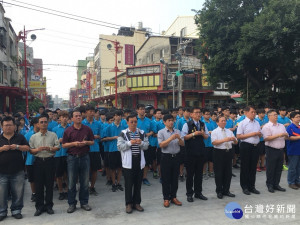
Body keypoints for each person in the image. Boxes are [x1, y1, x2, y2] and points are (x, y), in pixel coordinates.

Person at [62, 109, 94, 213]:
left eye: (80, 115)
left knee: (84, 182)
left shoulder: (87, 129)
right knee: (71, 182)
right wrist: (74, 144)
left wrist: (86, 142)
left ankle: (84, 202)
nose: (78, 117)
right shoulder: (68, 131)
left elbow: (92, 142)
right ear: (71, 118)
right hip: (72, 157)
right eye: (76, 116)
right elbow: (64, 145)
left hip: (84, 156)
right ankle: (72, 203)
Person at [117, 113, 149, 214]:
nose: (134, 123)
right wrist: (130, 143)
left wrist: (141, 143)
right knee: (128, 184)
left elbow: (147, 146)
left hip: (139, 161)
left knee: (138, 183)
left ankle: (137, 203)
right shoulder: (123, 133)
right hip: (128, 162)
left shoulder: (142, 132)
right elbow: (119, 146)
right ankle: (128, 204)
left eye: (135, 121)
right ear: (127, 122)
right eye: (131, 122)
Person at [29, 114, 60, 216]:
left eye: (45, 122)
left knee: (49, 185)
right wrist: (37, 150)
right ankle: (39, 207)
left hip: (50, 161)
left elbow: (58, 147)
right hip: (38, 162)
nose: (43, 124)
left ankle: (49, 206)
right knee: (39, 185)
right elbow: (31, 150)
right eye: (41, 122)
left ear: (48, 123)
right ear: (37, 124)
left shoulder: (53, 135)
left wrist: (50, 148)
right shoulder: (33, 137)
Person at [0, 116, 30, 221]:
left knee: (18, 192)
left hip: (17, 170)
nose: (8, 127)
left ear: (14, 126)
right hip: (1, 171)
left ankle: (16, 210)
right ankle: (2, 211)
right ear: (2, 126)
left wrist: (17, 147)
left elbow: (27, 148)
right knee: (1, 194)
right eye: (6, 125)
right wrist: (2, 149)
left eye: (10, 125)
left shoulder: (20, 137)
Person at [181, 107, 209, 203]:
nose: (198, 114)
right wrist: (194, 134)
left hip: (200, 152)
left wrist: (202, 134)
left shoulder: (202, 124)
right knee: (190, 175)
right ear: (191, 114)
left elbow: (206, 137)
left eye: (199, 112)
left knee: (199, 174)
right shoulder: (187, 124)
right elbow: (184, 137)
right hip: (190, 153)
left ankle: (198, 192)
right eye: (196, 112)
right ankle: (189, 194)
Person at [158, 114, 184, 208]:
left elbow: (182, 144)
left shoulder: (177, 131)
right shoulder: (161, 132)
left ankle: (174, 197)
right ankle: (166, 198)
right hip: (166, 157)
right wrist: (170, 138)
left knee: (174, 179)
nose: (171, 122)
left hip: (176, 157)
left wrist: (179, 138)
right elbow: (161, 145)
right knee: (166, 179)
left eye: (172, 120)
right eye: (169, 120)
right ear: (164, 122)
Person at [237, 106, 262, 195]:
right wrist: (253, 134)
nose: (254, 113)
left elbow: (260, 134)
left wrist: (258, 134)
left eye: (254, 112)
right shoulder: (242, 123)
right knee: (245, 167)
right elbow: (239, 136)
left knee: (253, 167)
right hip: (246, 146)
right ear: (246, 113)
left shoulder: (257, 123)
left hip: (255, 146)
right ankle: (244, 186)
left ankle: (252, 186)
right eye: (252, 112)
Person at [211, 116, 238, 199]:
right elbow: (214, 142)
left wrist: (234, 140)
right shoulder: (215, 132)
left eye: (224, 121)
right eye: (222, 121)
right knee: (219, 173)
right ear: (217, 122)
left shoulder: (229, 131)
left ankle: (226, 190)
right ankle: (219, 191)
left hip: (228, 152)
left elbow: (236, 142)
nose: (224, 122)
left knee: (228, 173)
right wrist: (224, 140)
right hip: (219, 153)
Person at [261, 109, 288, 193]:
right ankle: (270, 185)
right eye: (274, 115)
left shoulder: (281, 126)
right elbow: (266, 138)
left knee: (279, 168)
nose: (276, 116)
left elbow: (286, 135)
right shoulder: (267, 126)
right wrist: (279, 135)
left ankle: (276, 184)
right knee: (271, 168)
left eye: (276, 114)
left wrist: (286, 135)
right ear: (269, 116)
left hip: (280, 149)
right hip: (271, 149)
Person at [104, 110, 127, 192]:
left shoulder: (124, 127)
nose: (118, 117)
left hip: (121, 150)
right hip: (112, 149)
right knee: (113, 168)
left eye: (120, 115)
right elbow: (103, 138)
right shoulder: (109, 127)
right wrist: (112, 138)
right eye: (116, 115)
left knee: (120, 168)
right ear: (114, 116)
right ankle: (113, 183)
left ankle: (118, 183)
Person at [82, 105, 101, 196]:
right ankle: (85, 187)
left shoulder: (98, 123)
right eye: (89, 111)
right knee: (85, 170)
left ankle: (92, 187)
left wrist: (96, 137)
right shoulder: (82, 123)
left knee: (94, 170)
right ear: (85, 113)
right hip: (84, 150)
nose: (91, 113)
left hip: (95, 149)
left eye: (93, 111)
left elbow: (101, 136)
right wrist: (93, 136)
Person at [52, 110, 70, 200]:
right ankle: (60, 191)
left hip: (68, 154)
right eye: (63, 117)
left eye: (66, 117)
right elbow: (52, 142)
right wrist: (57, 141)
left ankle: (67, 190)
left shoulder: (71, 128)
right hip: (58, 154)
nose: (65, 119)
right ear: (60, 118)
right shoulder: (55, 129)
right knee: (59, 175)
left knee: (67, 174)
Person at [136, 104, 154, 186]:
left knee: (146, 162)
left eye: (143, 109)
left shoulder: (149, 121)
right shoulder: (134, 119)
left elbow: (152, 131)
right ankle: (137, 178)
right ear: (137, 110)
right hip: (136, 144)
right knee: (137, 162)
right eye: (140, 109)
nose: (142, 111)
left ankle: (144, 177)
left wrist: (147, 134)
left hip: (146, 144)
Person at [24, 117, 39, 202]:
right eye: (39, 122)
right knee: (32, 178)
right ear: (35, 124)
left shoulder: (44, 133)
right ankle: (34, 193)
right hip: (30, 160)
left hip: (42, 160)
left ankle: (40, 192)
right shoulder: (28, 135)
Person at [286, 111, 300, 189]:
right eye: (297, 117)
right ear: (292, 118)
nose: (298, 118)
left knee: (298, 168)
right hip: (293, 150)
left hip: (299, 150)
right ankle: (291, 182)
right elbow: (289, 137)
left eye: (299, 117)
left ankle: (297, 181)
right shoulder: (290, 127)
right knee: (292, 167)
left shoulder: (299, 127)